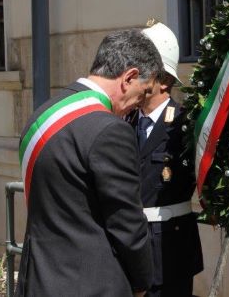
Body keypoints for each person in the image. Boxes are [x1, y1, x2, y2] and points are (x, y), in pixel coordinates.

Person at [15, 29, 162, 297]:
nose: (139, 105)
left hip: (39, 280)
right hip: (92, 284)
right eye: (143, 93)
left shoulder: (43, 114)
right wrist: (142, 282)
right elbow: (126, 222)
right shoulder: (110, 130)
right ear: (129, 78)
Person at [126, 22, 203, 297]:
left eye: (143, 72)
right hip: (132, 248)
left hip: (170, 250)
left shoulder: (184, 124)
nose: (134, 78)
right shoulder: (127, 121)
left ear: (164, 80)